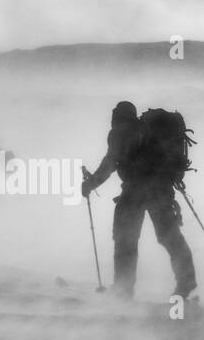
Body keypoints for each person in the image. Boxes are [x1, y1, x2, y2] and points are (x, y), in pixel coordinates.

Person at [81, 101, 197, 300]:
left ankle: (123, 288)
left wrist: (91, 184)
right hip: (159, 190)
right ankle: (186, 282)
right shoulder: (146, 131)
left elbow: (109, 164)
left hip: (134, 193)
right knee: (169, 236)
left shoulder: (118, 135)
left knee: (125, 239)